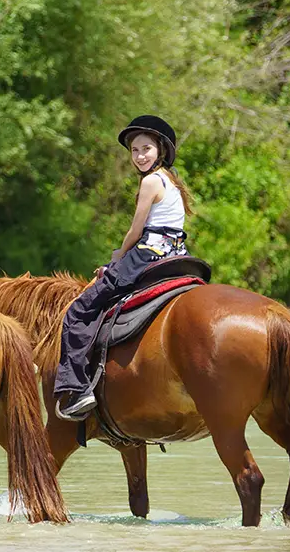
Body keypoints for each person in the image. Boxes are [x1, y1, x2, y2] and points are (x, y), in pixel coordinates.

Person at [53, 114, 193, 420]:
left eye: (146, 149)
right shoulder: (171, 181)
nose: (140, 156)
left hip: (148, 253)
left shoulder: (151, 181)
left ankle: (77, 390)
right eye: (135, 151)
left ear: (160, 150)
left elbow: (135, 230)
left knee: (79, 311)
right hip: (175, 254)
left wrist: (116, 258)